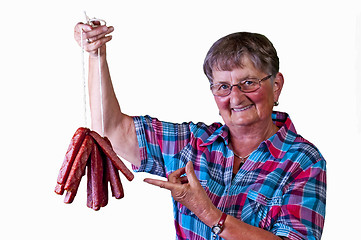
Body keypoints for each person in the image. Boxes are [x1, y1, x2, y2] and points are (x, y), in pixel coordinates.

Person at [74, 22, 326, 240]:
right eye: (223, 87)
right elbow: (111, 131)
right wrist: (97, 55)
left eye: (248, 83)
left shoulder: (302, 161)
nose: (235, 98)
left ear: (277, 85)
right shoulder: (194, 143)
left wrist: (209, 214)